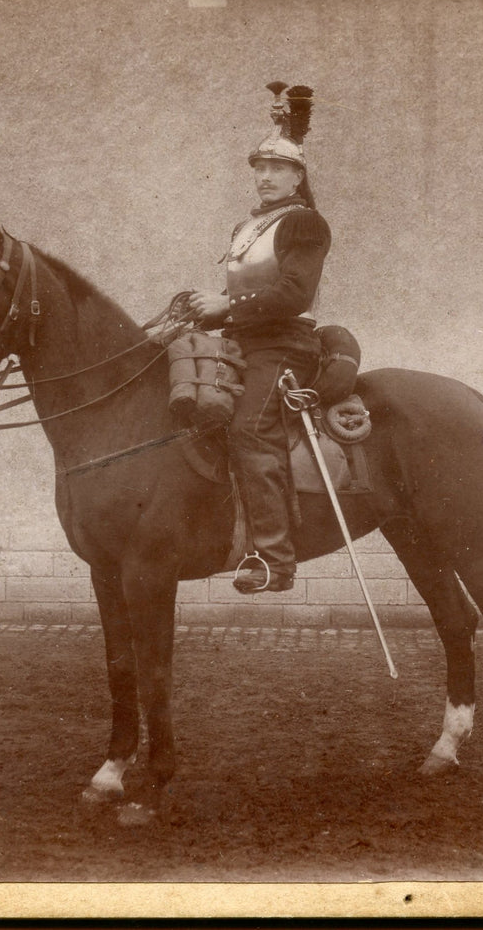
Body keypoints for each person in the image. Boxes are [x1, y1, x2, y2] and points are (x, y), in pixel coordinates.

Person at [189, 83, 330, 593]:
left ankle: (275, 558)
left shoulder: (305, 224)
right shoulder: (246, 228)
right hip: (243, 342)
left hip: (284, 346)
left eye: (276, 168)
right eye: (258, 168)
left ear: (297, 175)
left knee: (250, 429)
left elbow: (293, 292)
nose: (264, 177)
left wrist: (227, 306)